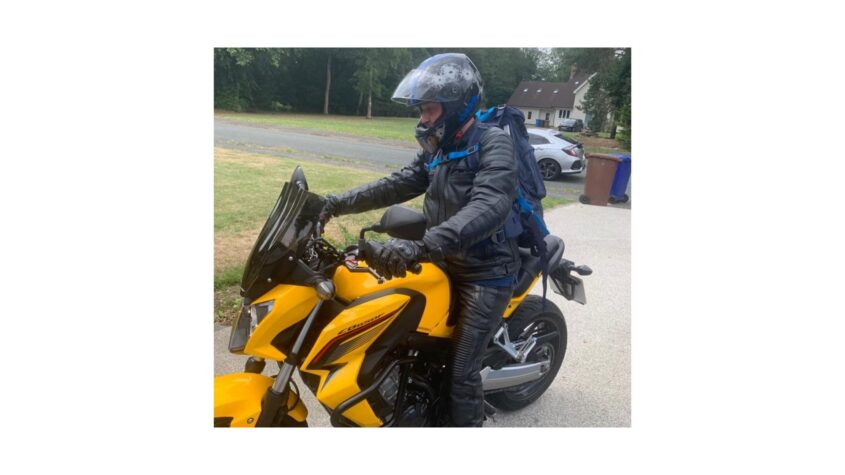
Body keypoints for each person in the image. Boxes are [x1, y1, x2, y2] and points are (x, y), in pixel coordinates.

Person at [320, 53, 519, 427]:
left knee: (461, 373)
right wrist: (334, 204)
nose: (423, 119)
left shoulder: (493, 144)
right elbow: (396, 184)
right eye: (422, 111)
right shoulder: (438, 149)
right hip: (441, 257)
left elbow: (489, 204)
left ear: (457, 105)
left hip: (484, 271)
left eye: (430, 110)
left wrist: (420, 245)